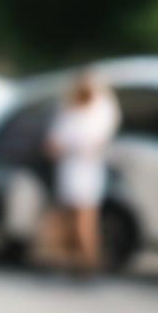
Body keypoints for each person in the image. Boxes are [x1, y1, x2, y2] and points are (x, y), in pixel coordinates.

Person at [43, 68, 122, 277]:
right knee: (67, 218)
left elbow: (95, 141)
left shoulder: (101, 109)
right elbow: (53, 144)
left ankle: (88, 262)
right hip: (69, 170)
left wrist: (70, 147)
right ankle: (71, 262)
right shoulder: (69, 110)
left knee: (84, 218)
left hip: (87, 172)